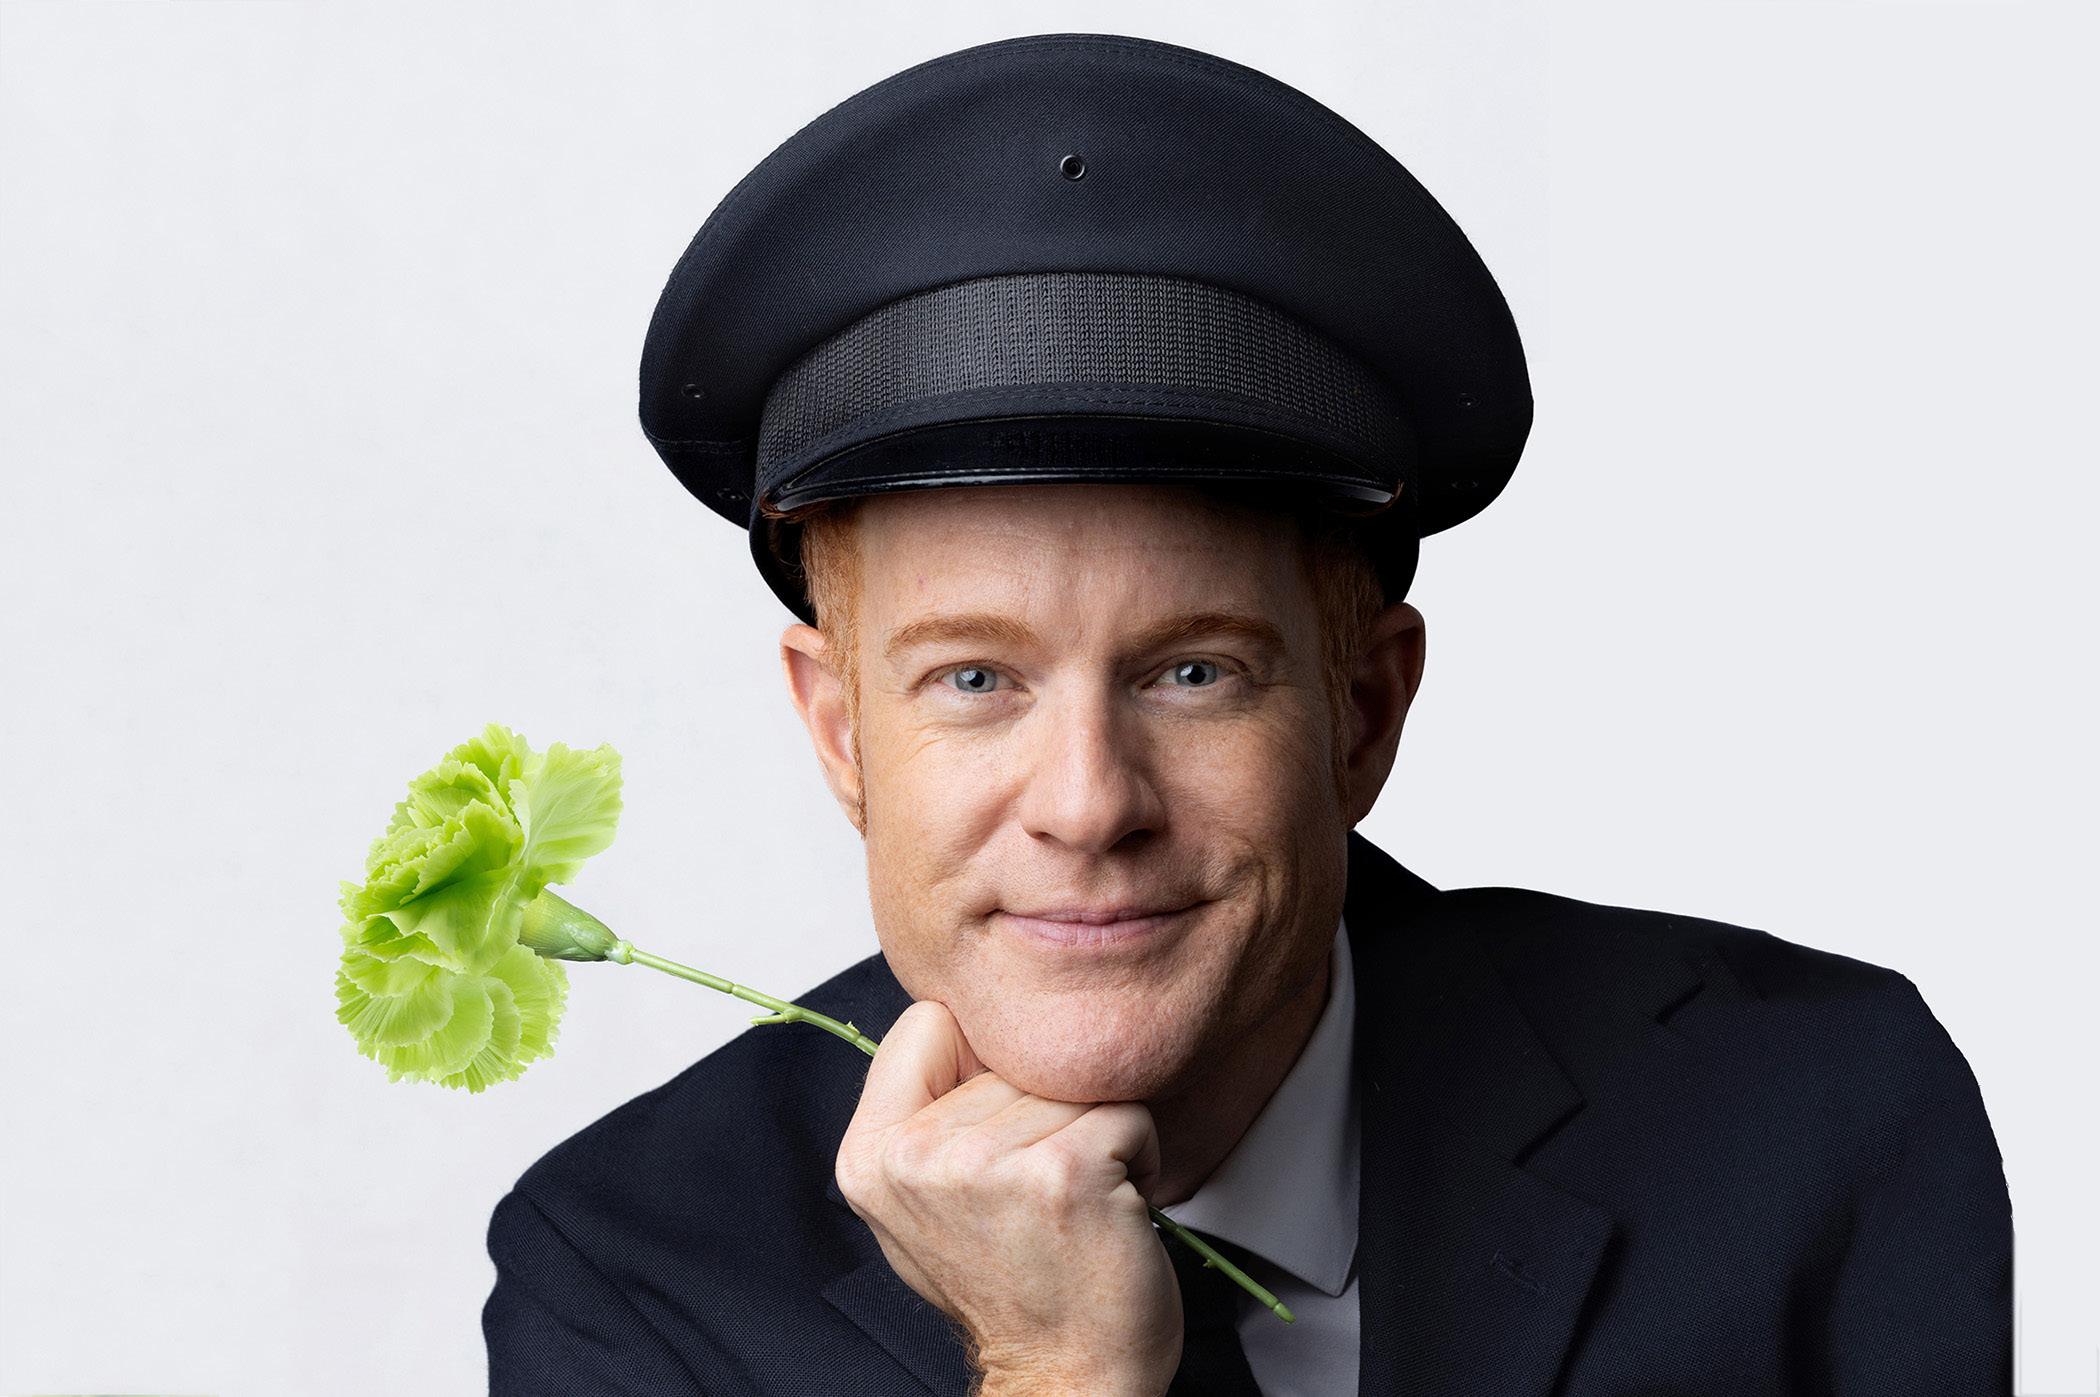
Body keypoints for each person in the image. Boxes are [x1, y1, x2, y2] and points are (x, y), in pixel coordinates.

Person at [481, 32, 2013, 1396]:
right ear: (839, 731)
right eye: (976, 679)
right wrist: (1060, 1373)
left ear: (1363, 711)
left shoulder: (1817, 1121)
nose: (1089, 803)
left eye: (1192, 671)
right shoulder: (633, 1282)